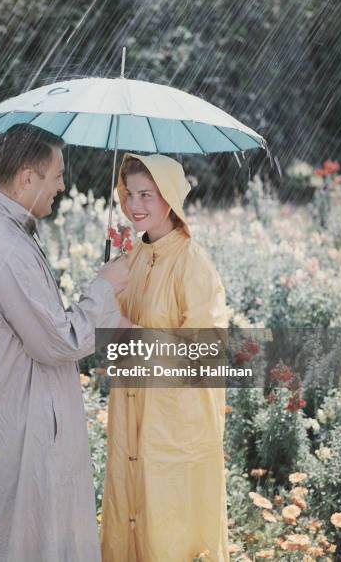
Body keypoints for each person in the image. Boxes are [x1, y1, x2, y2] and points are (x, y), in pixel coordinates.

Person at [0, 125, 130, 562]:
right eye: (55, 174)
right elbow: (58, 340)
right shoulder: (6, 251)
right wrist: (105, 287)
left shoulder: (13, 233)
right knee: (30, 542)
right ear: (25, 178)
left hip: (24, 418)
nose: (63, 185)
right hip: (21, 427)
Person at [101, 153, 229, 562]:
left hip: (175, 426)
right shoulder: (132, 258)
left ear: (170, 198)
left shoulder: (193, 264)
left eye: (146, 195)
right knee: (131, 518)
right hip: (131, 418)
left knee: (172, 530)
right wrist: (107, 289)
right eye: (129, 194)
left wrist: (132, 335)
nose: (134, 205)